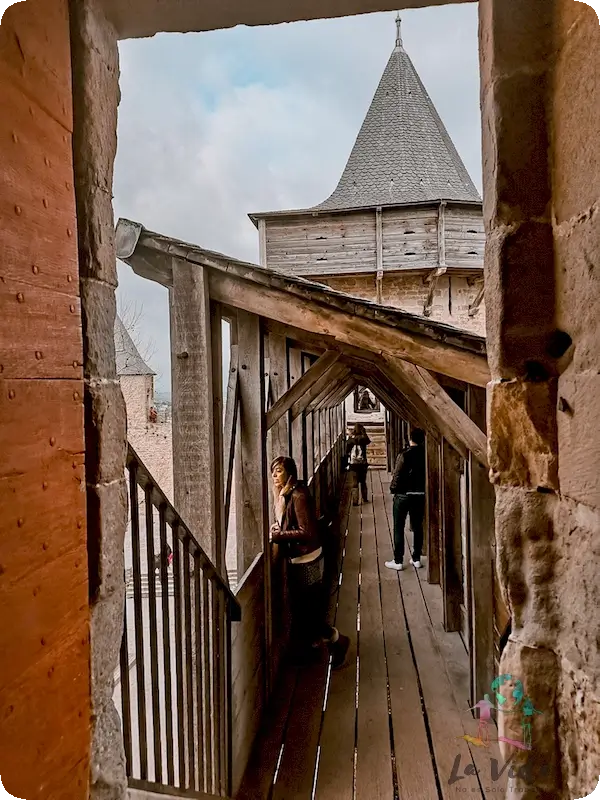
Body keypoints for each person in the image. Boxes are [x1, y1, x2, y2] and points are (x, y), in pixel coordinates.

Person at [269, 456, 350, 669]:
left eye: (278, 471)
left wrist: (279, 536)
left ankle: (337, 641)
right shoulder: (287, 494)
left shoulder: (298, 495)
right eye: (272, 472)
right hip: (300, 558)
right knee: (304, 610)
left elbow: (307, 532)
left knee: (307, 613)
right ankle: (314, 649)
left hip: (307, 560)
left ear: (290, 473)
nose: (274, 476)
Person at [385, 428, 426, 571]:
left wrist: (393, 489)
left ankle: (398, 561)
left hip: (403, 495)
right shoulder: (426, 454)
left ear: (410, 439)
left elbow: (397, 474)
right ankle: (416, 559)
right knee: (417, 527)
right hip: (419, 494)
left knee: (398, 527)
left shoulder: (404, 455)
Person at [346, 423, 371, 505]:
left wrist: (351, 435)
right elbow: (367, 441)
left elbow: (347, 449)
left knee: (355, 482)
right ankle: (365, 498)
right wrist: (364, 432)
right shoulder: (364, 438)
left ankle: (355, 501)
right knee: (363, 482)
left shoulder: (351, 439)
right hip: (363, 463)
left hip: (353, 464)